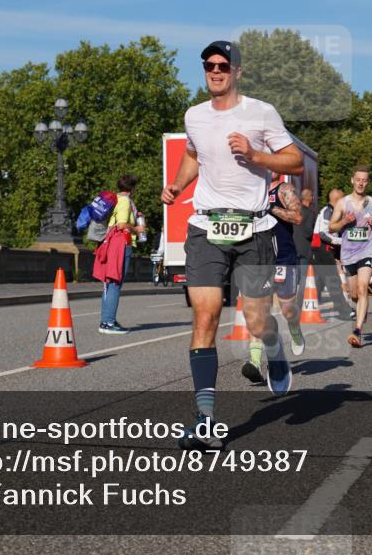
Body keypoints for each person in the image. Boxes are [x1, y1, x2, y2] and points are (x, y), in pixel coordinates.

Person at [161, 40, 303, 450]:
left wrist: (257, 154)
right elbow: (193, 154)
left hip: (254, 229)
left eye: (223, 65)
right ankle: (205, 421)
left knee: (256, 322)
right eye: (209, 65)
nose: (216, 71)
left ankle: (272, 345)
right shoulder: (195, 116)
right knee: (205, 318)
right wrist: (177, 184)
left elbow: (293, 160)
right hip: (206, 226)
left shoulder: (261, 113)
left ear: (238, 70)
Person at [241, 178, 306, 383]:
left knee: (287, 310)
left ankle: (295, 330)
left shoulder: (283, 189)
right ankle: (254, 361)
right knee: (260, 311)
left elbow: (297, 217)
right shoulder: (249, 188)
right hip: (258, 259)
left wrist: (269, 208)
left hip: (283, 259)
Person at [330, 165, 372, 348]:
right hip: (348, 253)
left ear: (368, 182)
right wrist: (344, 221)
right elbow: (331, 227)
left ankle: (358, 330)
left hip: (367, 251)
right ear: (352, 181)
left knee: (363, 288)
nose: (361, 183)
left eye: (365, 180)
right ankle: (362, 308)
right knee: (354, 293)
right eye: (358, 179)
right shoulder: (342, 203)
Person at [98, 174, 145, 334]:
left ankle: (106, 321)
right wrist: (137, 229)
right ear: (132, 188)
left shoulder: (116, 199)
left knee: (109, 284)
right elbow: (122, 224)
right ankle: (109, 322)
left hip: (112, 243)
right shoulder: (125, 201)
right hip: (121, 243)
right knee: (115, 284)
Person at [315, 188, 354, 319]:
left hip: (324, 250)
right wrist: (342, 242)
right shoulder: (328, 211)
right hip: (322, 250)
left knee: (318, 282)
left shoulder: (334, 212)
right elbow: (323, 233)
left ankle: (304, 306)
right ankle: (343, 311)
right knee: (333, 281)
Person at [293, 188, 317, 300]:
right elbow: (308, 232)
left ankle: (292, 298)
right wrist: (316, 233)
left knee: (293, 276)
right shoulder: (310, 212)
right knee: (303, 277)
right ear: (310, 198)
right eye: (312, 196)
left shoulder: (294, 211)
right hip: (304, 249)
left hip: (293, 247)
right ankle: (299, 300)